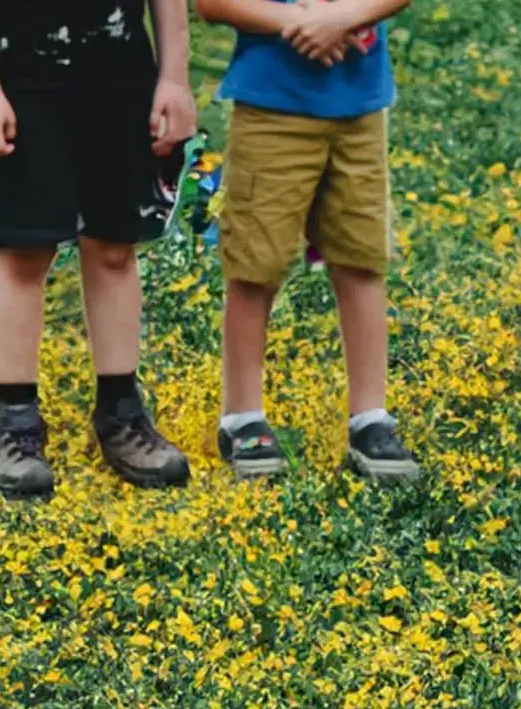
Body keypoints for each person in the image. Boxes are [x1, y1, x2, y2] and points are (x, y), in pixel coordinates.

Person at [0, 0, 201, 498]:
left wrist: (174, 79)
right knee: (25, 247)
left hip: (121, 74)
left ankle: (121, 412)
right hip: (25, 76)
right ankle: (15, 420)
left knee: (114, 245)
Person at [197, 0, 423, 481]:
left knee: (361, 258)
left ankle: (370, 418)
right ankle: (243, 418)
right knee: (255, 265)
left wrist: (344, 18)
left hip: (359, 112)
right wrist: (296, 23)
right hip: (271, 109)